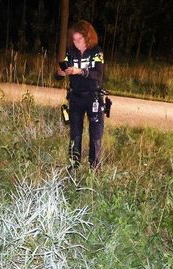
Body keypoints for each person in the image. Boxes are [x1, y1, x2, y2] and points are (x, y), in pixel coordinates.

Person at [56, 20, 105, 171]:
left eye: (80, 39)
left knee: (95, 134)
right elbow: (59, 72)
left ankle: (94, 169)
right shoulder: (70, 51)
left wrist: (80, 71)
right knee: (75, 133)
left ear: (88, 37)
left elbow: (98, 74)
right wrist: (60, 72)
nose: (76, 43)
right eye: (74, 39)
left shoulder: (96, 52)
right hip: (75, 97)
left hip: (93, 97)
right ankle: (73, 167)